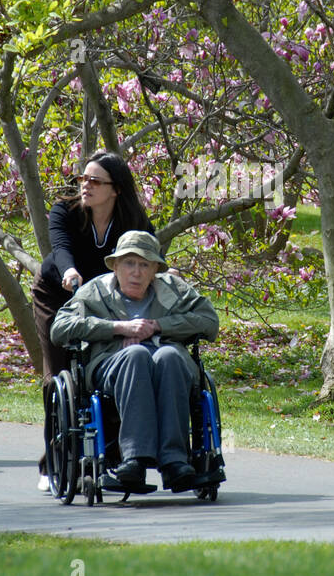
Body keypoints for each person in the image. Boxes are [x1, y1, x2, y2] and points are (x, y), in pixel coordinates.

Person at [50, 230, 218, 492]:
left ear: (155, 271)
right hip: (113, 363)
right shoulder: (95, 291)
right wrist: (118, 328)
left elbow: (209, 321)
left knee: (170, 356)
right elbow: (60, 329)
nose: (136, 272)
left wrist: (157, 326)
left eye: (144, 265)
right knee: (136, 355)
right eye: (129, 263)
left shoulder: (173, 290)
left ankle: (175, 461)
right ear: (115, 266)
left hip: (167, 362)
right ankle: (135, 459)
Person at [31, 150, 155, 489]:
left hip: (107, 303)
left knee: (108, 372)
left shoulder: (134, 222)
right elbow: (60, 249)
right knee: (59, 373)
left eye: (95, 181)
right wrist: (70, 270)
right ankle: (54, 463)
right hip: (58, 295)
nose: (85, 186)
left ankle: (112, 456)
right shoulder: (65, 211)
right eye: (82, 179)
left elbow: (150, 257)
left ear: (115, 189)